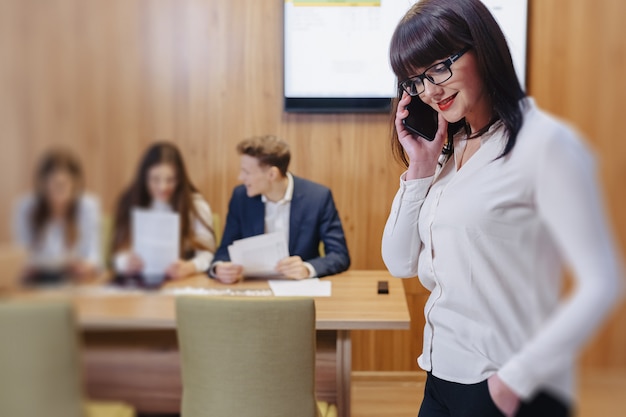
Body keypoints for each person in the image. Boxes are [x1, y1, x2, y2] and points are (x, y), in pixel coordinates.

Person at [381, 1, 623, 417]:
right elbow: (400, 262)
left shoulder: (544, 144)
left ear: (483, 48)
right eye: (416, 80)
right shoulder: (446, 154)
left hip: (502, 386)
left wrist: (515, 381)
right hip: (440, 376)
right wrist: (419, 169)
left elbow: (603, 281)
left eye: (440, 67)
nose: (431, 90)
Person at [210, 135, 350, 283]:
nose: (240, 177)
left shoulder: (318, 198)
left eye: (247, 172)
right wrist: (219, 268)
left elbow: (339, 255)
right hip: (253, 286)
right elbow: (225, 249)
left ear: (272, 174)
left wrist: (307, 268)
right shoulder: (241, 197)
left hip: (299, 288)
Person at [111, 142, 215, 281]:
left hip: (183, 282)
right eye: (155, 179)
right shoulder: (130, 201)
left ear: (180, 179)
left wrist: (191, 266)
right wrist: (125, 263)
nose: (163, 187)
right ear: (144, 178)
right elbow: (117, 252)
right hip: (139, 283)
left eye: (170, 180)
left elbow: (208, 253)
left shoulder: (196, 205)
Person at [13, 148, 101, 284]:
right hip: (36, 282)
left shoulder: (87, 206)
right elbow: (21, 255)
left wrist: (86, 266)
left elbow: (94, 256)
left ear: (75, 184)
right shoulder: (26, 208)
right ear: (42, 184)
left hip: (75, 282)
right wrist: (26, 268)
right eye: (53, 185)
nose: (59, 192)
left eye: (63, 185)